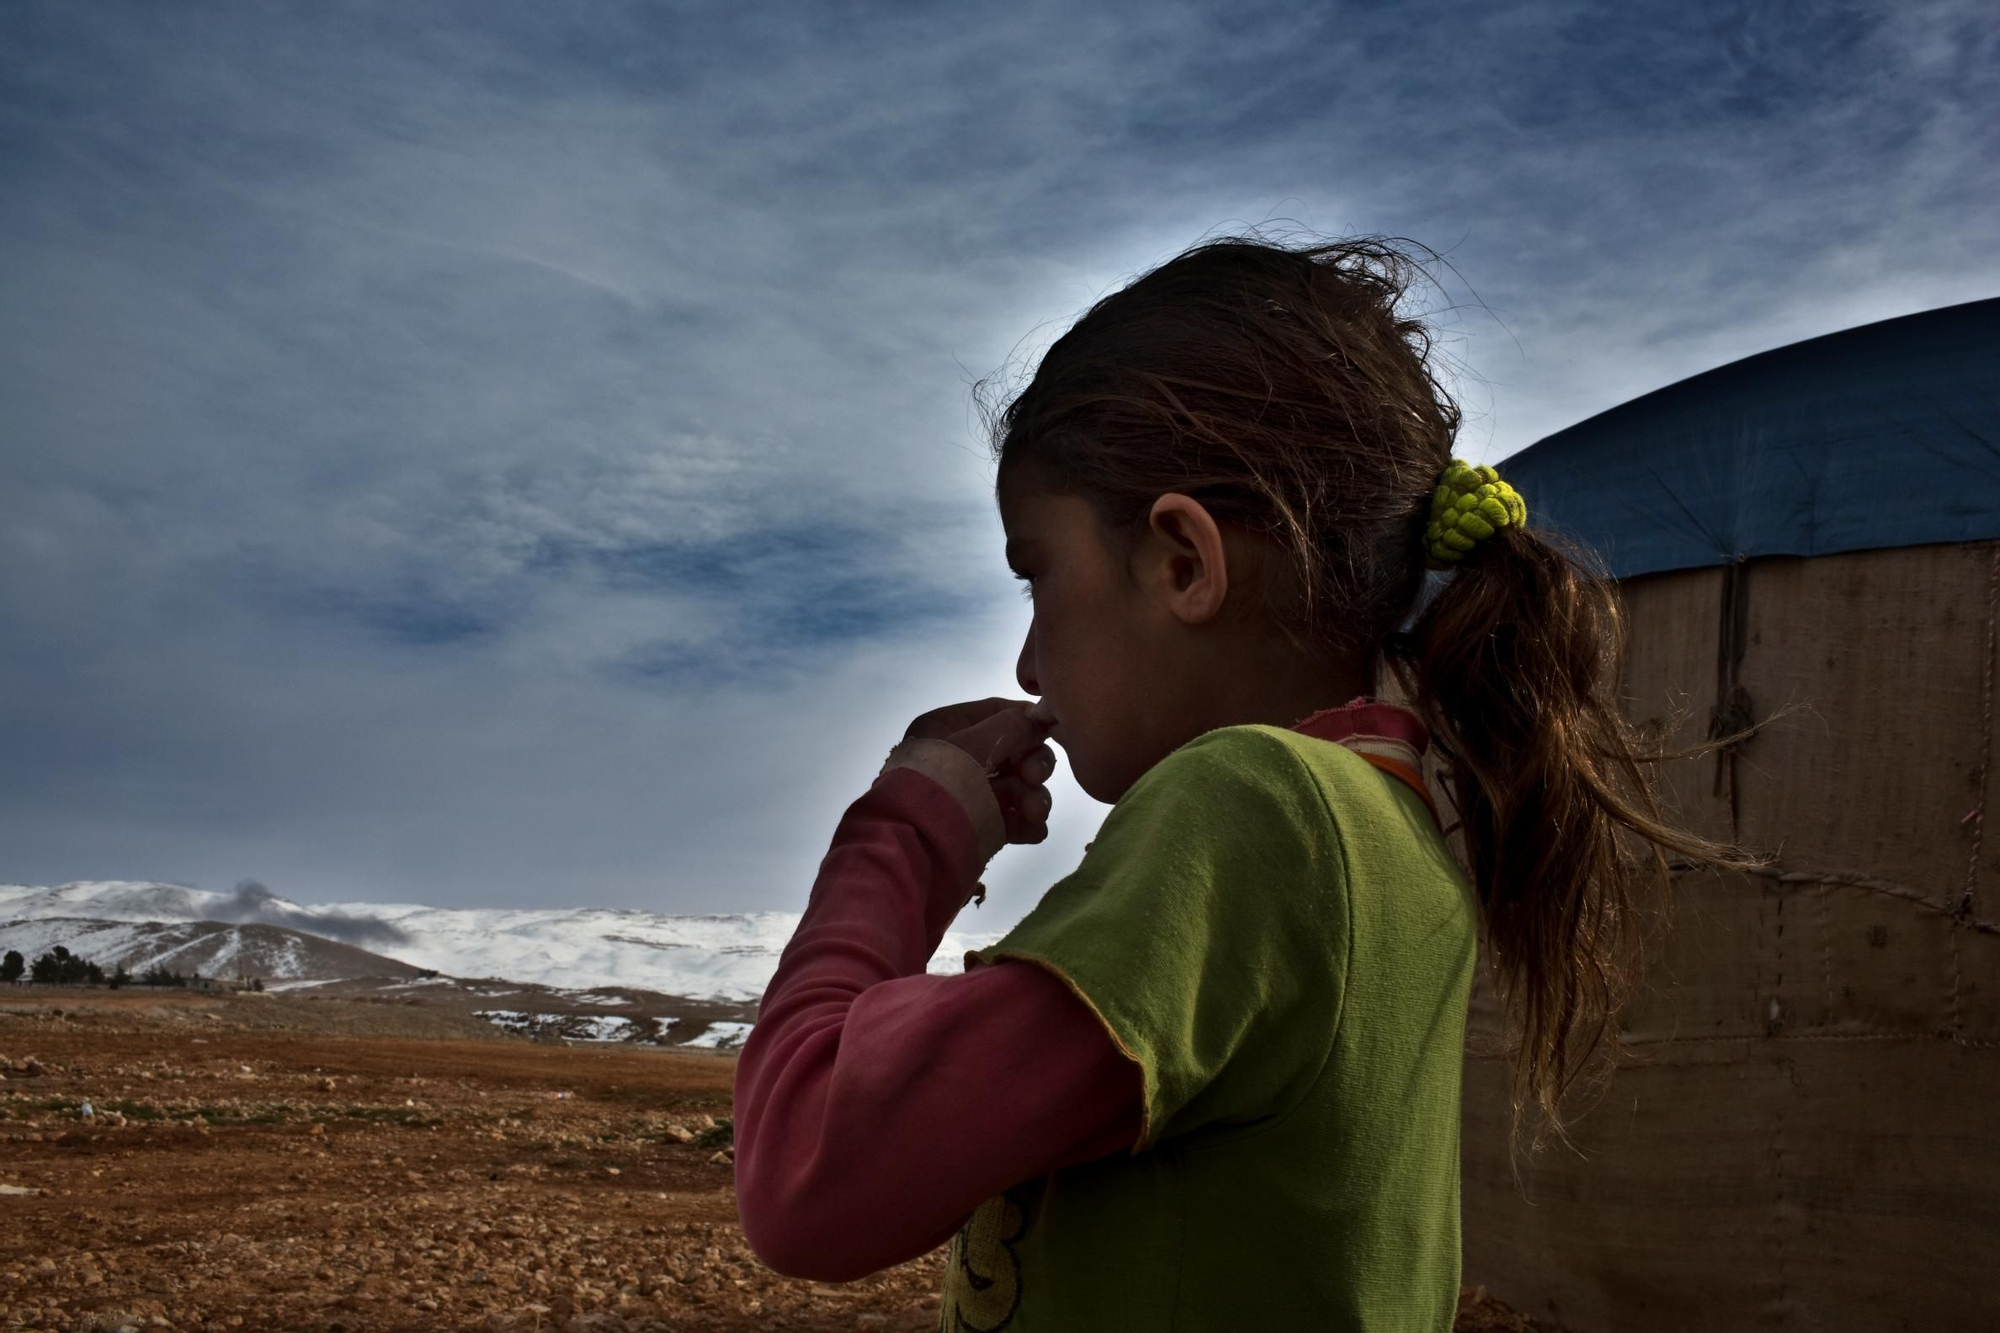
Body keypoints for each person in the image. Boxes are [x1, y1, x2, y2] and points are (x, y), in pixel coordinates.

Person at [732, 234, 1757, 1329]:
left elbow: (807, 1178)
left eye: (1037, 575)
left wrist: (907, 826)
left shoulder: (1258, 805)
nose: (1028, 664)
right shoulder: (1387, 827)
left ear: (1182, 561)